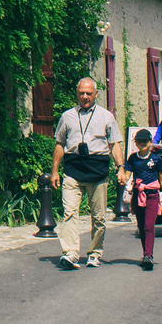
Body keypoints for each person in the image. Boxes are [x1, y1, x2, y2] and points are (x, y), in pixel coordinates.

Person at [50, 77, 124, 269]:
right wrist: (55, 171)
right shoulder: (67, 116)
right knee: (69, 213)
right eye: (81, 93)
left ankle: (94, 252)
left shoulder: (106, 116)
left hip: (97, 171)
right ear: (77, 93)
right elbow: (59, 144)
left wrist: (121, 167)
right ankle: (71, 253)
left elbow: (114, 144)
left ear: (96, 94)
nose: (85, 96)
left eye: (89, 93)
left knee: (98, 217)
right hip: (73, 170)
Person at [122, 128, 162, 270]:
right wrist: (123, 179)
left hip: (152, 195)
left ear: (151, 142)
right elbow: (128, 174)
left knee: (149, 226)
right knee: (141, 226)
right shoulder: (133, 158)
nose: (142, 144)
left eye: (145, 141)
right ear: (136, 143)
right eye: (139, 142)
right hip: (138, 195)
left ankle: (148, 255)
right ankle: (145, 253)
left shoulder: (156, 159)